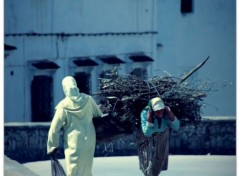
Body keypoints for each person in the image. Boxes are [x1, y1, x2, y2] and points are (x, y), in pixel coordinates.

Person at [47, 76, 103, 176]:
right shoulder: (88, 100)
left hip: (73, 143)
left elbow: (54, 128)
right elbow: (99, 116)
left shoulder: (63, 106)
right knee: (86, 169)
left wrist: (52, 146)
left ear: (64, 88)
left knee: (73, 170)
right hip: (89, 140)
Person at [137, 97, 180, 176]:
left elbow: (176, 127)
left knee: (158, 163)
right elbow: (147, 133)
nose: (159, 113)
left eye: (161, 110)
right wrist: (149, 118)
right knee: (147, 164)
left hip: (161, 138)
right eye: (157, 111)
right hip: (147, 140)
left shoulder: (166, 113)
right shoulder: (145, 113)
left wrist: (170, 113)